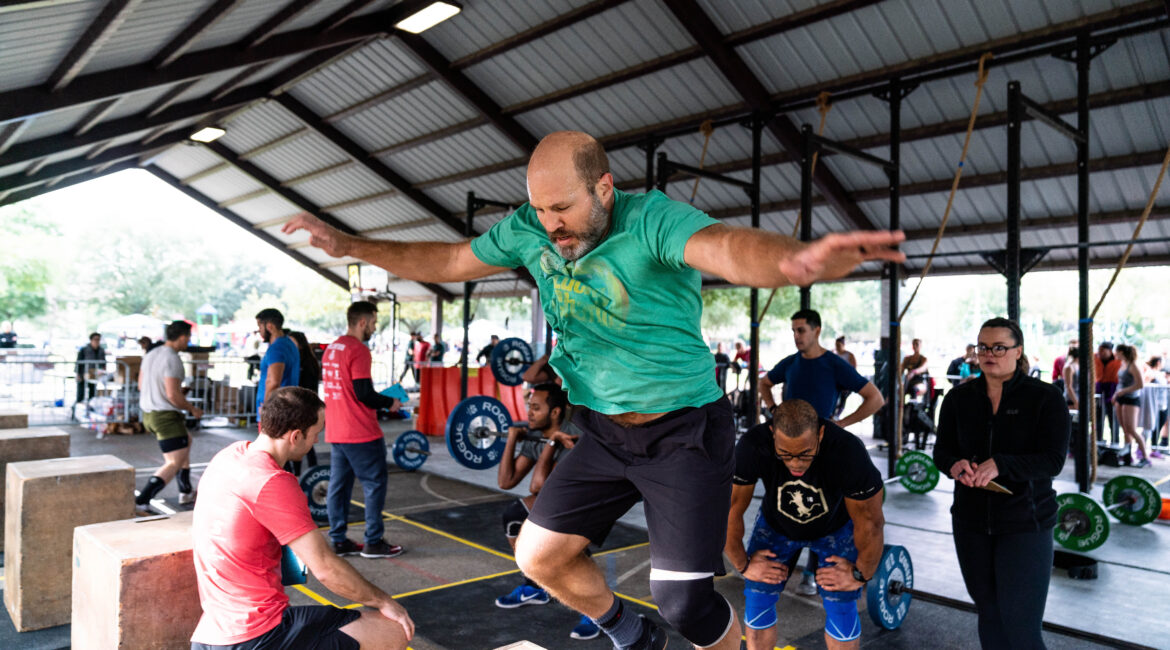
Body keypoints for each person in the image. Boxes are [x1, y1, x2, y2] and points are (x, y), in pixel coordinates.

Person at [284, 129, 903, 650]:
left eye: (563, 208)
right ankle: (632, 635)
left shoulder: (650, 220)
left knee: (684, 604)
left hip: (683, 431)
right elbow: (449, 262)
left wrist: (790, 261)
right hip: (603, 431)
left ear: (604, 187)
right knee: (537, 556)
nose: (551, 225)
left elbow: (726, 247)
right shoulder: (530, 228)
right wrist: (350, 246)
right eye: (541, 210)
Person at [190, 386, 413, 650]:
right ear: (295, 436)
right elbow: (326, 569)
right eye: (316, 433)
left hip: (210, 633)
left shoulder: (229, 456)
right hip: (255, 637)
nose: (317, 441)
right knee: (393, 629)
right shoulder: (272, 482)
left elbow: (292, 567)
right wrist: (385, 602)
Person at [933, 317, 1068, 650]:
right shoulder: (958, 399)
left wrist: (1002, 464)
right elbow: (941, 452)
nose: (989, 354)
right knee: (990, 616)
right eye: (983, 347)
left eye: (998, 348)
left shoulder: (1045, 398)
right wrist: (954, 465)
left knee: (1021, 627)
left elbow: (1053, 460)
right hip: (970, 524)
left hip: (1025, 524)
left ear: (1018, 351)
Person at [726, 399, 884, 650]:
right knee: (757, 597)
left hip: (835, 528)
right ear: (772, 434)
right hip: (776, 526)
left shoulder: (847, 450)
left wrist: (860, 574)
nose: (795, 463)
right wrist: (743, 565)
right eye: (786, 454)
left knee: (841, 604)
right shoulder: (753, 446)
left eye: (805, 453)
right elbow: (729, 510)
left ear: (820, 434)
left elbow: (871, 522)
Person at [757, 309, 884, 595]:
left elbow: (875, 398)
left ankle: (812, 572)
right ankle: (783, 565)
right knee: (785, 505)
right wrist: (775, 410)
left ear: (817, 330)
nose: (796, 336)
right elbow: (764, 383)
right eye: (793, 331)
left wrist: (842, 424)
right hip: (789, 451)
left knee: (823, 510)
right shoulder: (790, 363)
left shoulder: (834, 364)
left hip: (823, 450)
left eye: (801, 330)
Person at [494, 383, 599, 640]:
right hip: (560, 500)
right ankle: (535, 585)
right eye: (529, 406)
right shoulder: (536, 434)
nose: (529, 413)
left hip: (594, 499)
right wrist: (511, 439)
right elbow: (506, 481)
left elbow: (539, 487)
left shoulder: (574, 436)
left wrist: (552, 442)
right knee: (515, 517)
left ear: (555, 412)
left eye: (536, 408)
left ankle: (597, 612)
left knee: (569, 549)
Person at [322, 301, 404, 559]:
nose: (374, 328)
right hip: (360, 432)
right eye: (373, 323)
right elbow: (364, 393)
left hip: (337, 431)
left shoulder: (332, 348)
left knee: (339, 487)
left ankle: (338, 540)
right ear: (362, 322)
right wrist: (390, 402)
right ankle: (373, 542)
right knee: (374, 485)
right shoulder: (358, 350)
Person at [134, 320, 202, 513]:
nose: (188, 341)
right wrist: (192, 409)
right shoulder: (173, 359)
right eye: (188, 337)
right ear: (182, 337)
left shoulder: (151, 354)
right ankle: (142, 500)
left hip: (149, 414)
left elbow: (141, 385)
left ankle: (185, 491)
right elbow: (173, 395)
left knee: (186, 441)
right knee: (173, 462)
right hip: (165, 416)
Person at [286, 331, 321, 475]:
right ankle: (309, 471)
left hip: (303, 406)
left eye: (292, 342)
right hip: (304, 406)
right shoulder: (305, 360)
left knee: (301, 440)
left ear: (300, 344)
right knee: (303, 440)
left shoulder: (305, 363)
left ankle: (302, 473)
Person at [255, 308, 300, 414]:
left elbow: (274, 382)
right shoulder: (289, 344)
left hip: (275, 411)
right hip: (287, 405)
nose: (259, 330)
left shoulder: (276, 349)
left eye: (260, 326)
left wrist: (266, 408)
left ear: (269, 326)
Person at [1112, 344, 1151, 466]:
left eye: (1117, 352)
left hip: (1131, 399)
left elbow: (1140, 384)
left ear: (1122, 352)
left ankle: (1145, 457)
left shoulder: (1133, 365)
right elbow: (1121, 383)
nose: (1115, 354)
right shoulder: (1123, 363)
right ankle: (1127, 457)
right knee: (1125, 429)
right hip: (1121, 398)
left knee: (1132, 429)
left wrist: (1124, 391)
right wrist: (1116, 395)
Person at [1094, 342, 1121, 440]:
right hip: (1099, 389)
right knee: (1098, 418)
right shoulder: (1095, 358)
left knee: (1113, 418)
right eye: (1099, 350)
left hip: (1112, 390)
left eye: (1103, 351)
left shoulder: (1118, 360)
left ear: (1110, 351)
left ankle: (1115, 441)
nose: (1100, 353)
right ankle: (1098, 440)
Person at [75, 332, 105, 409]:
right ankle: (76, 410)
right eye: (95, 339)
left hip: (94, 376)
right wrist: (78, 374)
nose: (97, 341)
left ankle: (90, 410)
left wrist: (102, 371)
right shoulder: (84, 350)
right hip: (83, 375)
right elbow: (78, 362)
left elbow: (103, 363)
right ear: (91, 340)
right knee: (80, 395)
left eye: (98, 339)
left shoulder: (101, 350)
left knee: (92, 394)